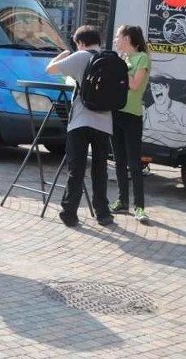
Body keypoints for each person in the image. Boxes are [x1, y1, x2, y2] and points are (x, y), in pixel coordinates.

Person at [46, 25, 114, 227]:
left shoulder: (80, 56)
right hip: (105, 122)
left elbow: (49, 69)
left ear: (80, 43)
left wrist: (65, 53)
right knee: (100, 168)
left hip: (81, 121)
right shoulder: (111, 59)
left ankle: (69, 213)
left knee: (76, 168)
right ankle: (103, 213)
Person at [109, 25, 151, 224]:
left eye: (118, 36)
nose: (116, 40)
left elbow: (134, 86)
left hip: (132, 116)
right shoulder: (120, 59)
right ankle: (122, 201)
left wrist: (124, 66)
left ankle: (139, 206)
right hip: (116, 113)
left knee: (134, 163)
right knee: (118, 160)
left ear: (126, 38)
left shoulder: (141, 58)